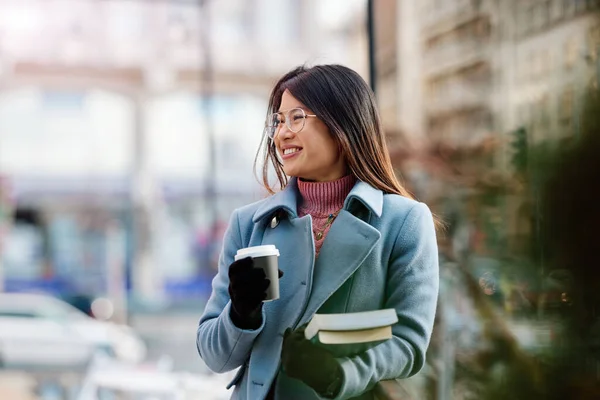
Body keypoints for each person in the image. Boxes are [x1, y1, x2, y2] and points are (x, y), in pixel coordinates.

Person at [196, 64, 440, 400]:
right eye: (278, 121)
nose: (282, 134)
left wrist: (338, 376)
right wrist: (240, 313)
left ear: (341, 123)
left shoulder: (404, 221)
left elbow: (409, 343)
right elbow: (213, 354)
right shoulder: (248, 224)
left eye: (296, 118)